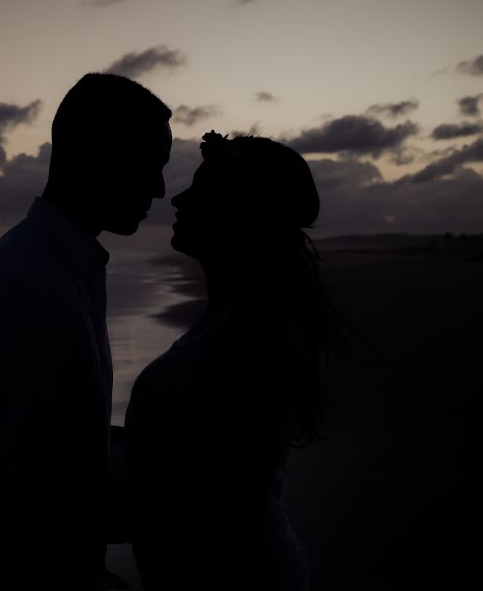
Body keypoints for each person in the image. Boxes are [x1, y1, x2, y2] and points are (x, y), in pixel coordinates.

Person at [0, 73, 172, 590]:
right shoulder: (27, 286)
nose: (160, 189)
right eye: (151, 165)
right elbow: (10, 489)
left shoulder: (65, 269)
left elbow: (59, 440)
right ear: (98, 154)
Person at [125, 131, 344, 590]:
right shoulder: (234, 315)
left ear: (240, 211)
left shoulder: (255, 331)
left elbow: (222, 496)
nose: (179, 199)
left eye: (201, 189)